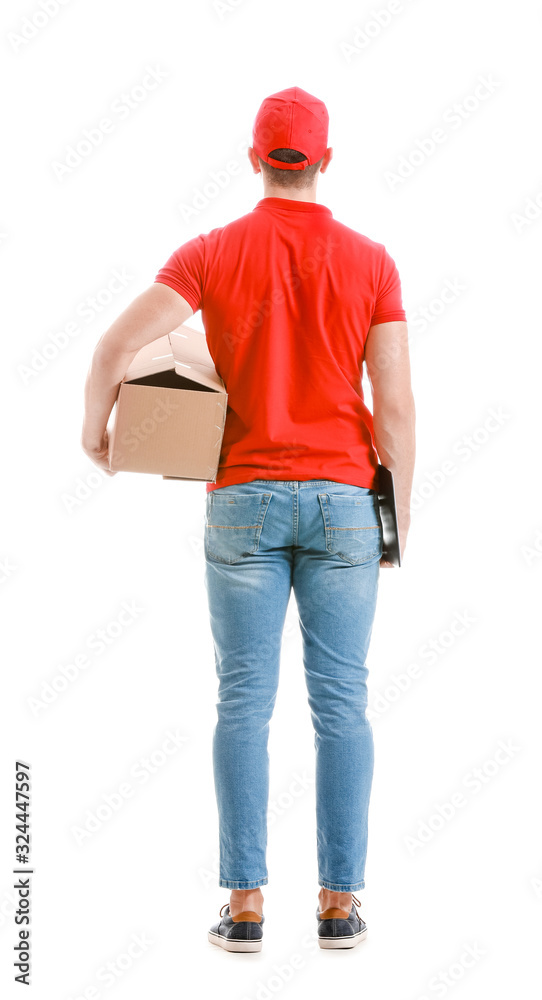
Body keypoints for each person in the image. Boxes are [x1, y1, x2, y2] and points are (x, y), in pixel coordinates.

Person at [82, 85, 416, 952]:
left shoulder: (210, 252)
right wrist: (397, 517)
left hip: (242, 503)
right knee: (343, 704)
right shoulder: (372, 260)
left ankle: (245, 908)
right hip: (346, 501)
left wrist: (98, 430)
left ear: (255, 159)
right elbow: (399, 409)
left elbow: (114, 347)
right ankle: (339, 907)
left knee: (243, 705)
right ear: (326, 162)